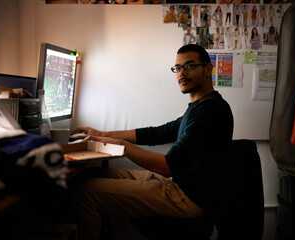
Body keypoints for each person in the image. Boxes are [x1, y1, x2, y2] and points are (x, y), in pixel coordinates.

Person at [70, 44, 234, 240]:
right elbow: (157, 133)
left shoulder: (210, 112)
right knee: (94, 175)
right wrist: (103, 133)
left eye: (189, 66)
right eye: (178, 68)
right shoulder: (200, 106)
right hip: (179, 185)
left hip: (187, 197)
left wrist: (115, 145)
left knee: (85, 191)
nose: (182, 73)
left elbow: (166, 166)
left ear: (208, 69)